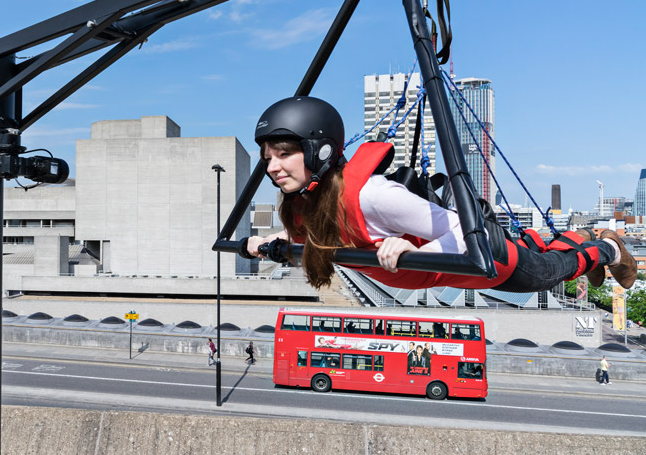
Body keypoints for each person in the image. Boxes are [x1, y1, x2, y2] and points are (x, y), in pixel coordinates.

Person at [245, 96, 638, 293]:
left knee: (552, 269)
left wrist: (413, 251)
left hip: (491, 262)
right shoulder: (304, 203)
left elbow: (463, 232)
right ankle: (584, 237)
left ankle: (609, 250)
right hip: (454, 272)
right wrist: (269, 243)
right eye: (268, 157)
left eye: (284, 154)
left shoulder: (371, 197)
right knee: (538, 244)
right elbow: (312, 236)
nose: (273, 166)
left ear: (320, 150)